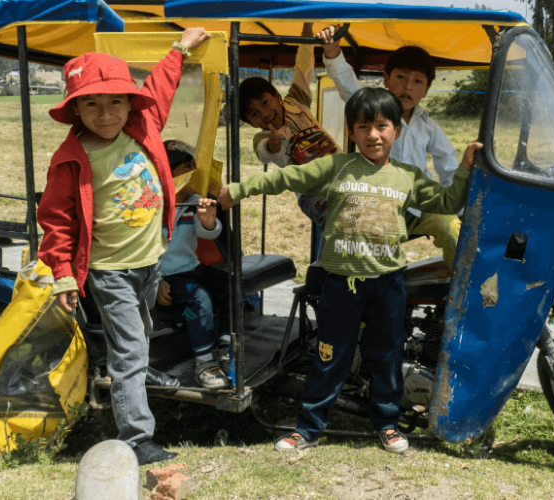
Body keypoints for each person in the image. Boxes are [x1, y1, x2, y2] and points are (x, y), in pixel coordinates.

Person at [218, 87, 483, 454]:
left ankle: (388, 425)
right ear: (351, 132)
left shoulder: (407, 177)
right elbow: (284, 179)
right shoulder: (335, 167)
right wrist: (238, 189)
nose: (373, 135)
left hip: (388, 286)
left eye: (381, 126)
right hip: (340, 285)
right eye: (363, 127)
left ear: (396, 131)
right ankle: (308, 429)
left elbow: (447, 201)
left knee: (386, 357)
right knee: (329, 356)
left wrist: (467, 166)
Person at [37, 28, 211, 466]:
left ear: (129, 103)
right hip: (109, 270)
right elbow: (56, 221)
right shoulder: (70, 158)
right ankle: (135, 438)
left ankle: (126, 370)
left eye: (115, 100)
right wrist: (62, 274)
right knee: (131, 349)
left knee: (138, 340)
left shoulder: (142, 126)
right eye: (91, 102)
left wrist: (178, 51)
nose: (106, 112)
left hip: (150, 264)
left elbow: (160, 88)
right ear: (74, 107)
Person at [315, 27, 463, 269]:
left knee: (455, 231)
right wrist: (332, 51)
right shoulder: (370, 106)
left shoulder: (428, 126)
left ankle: (459, 293)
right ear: (386, 79)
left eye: (417, 81)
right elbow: (347, 82)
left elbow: (448, 165)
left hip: (418, 206)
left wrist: (460, 207)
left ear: (425, 90)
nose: (408, 86)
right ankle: (329, 274)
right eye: (401, 77)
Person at [239, 22, 340, 225]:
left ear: (277, 96)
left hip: (341, 175)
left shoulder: (296, 101)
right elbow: (263, 152)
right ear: (251, 123)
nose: (265, 114)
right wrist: (271, 145)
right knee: (339, 219)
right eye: (255, 114)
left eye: (266, 103)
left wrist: (307, 29)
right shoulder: (264, 137)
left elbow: (304, 66)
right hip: (312, 193)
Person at [155, 140, 231, 390]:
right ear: (167, 171)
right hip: (168, 276)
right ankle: (205, 363)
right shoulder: (152, 206)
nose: (193, 174)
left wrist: (209, 223)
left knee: (229, 284)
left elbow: (207, 233)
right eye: (186, 168)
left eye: (193, 168)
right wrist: (155, 282)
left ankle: (227, 343)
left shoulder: (194, 200)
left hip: (192, 268)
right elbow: (142, 248)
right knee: (199, 302)